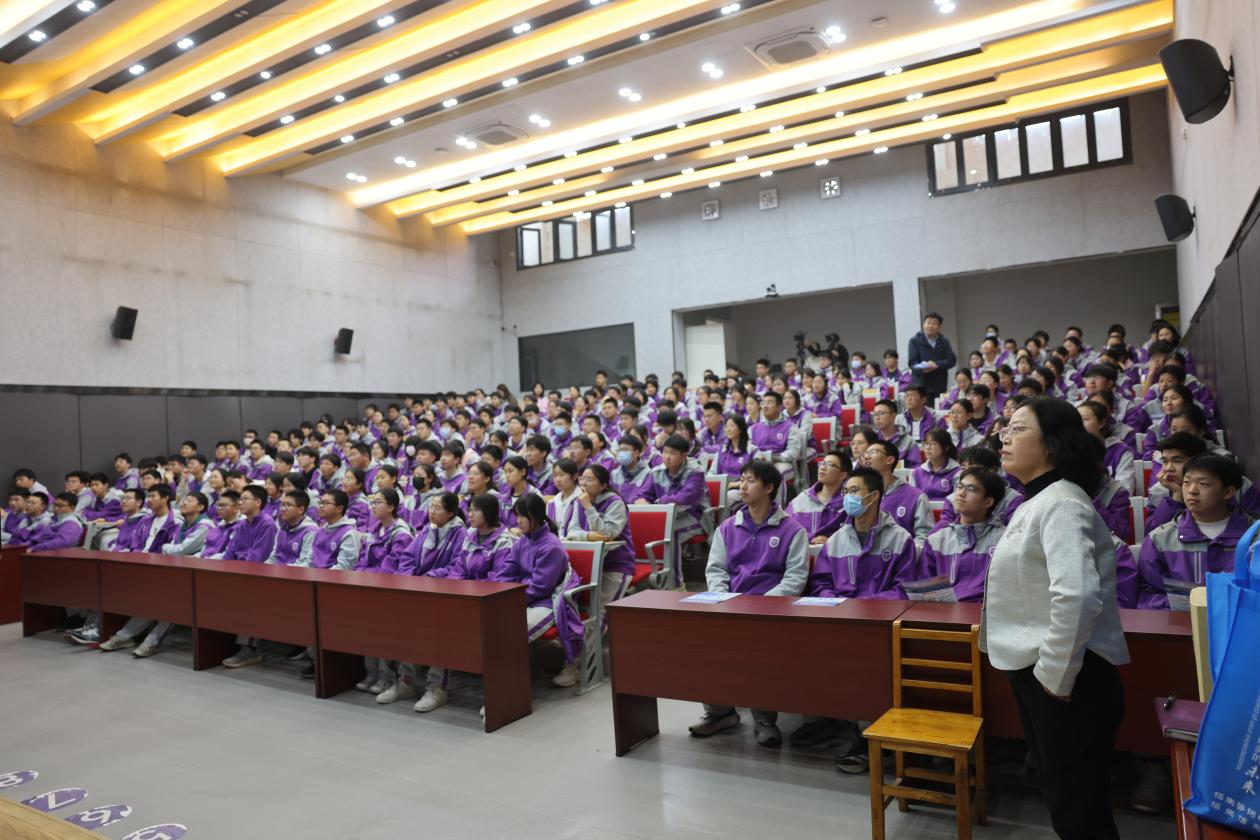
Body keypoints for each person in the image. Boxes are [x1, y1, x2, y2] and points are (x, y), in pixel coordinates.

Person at [982, 396, 1129, 839]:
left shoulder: (1062, 503)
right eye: (1005, 429)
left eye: (1018, 429)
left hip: (1069, 676)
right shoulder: (1038, 500)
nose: (1005, 438)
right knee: (1068, 798)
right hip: (1048, 671)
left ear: (1052, 442)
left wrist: (1054, 676)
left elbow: (1077, 595)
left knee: (1078, 807)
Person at [688, 461, 809, 746]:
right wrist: (724, 599)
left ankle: (764, 719)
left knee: (761, 655)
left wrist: (763, 605)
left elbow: (795, 577)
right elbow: (716, 570)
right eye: (741, 479)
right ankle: (720, 713)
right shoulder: (727, 528)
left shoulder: (793, 530)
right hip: (731, 607)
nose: (742, 486)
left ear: (769, 488)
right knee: (705, 647)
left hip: (772, 612)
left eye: (750, 480)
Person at [808, 466, 918, 770]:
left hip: (883, 625)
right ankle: (850, 730)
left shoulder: (900, 539)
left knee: (874, 673)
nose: (848, 497)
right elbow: (821, 583)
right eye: (846, 492)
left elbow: (905, 589)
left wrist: (865, 607)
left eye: (854, 491)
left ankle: (874, 740)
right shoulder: (836, 540)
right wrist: (837, 604)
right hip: (843, 621)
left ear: (874, 496)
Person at [99, 492, 214, 656]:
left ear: (200, 507)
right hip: (176, 572)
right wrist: (172, 550)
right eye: (184, 500)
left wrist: (167, 549)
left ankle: (152, 641)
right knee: (154, 601)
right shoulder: (183, 525)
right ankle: (124, 636)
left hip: (197, 578)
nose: (183, 503)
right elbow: (176, 549)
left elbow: (179, 550)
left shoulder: (205, 526)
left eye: (189, 501)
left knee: (173, 605)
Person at [1137, 455, 1251, 610]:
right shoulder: (1160, 539)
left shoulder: (1254, 538)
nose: (1192, 491)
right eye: (1186, 482)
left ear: (1228, 492)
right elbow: (1148, 596)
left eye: (1203, 484)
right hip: (1180, 623)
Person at [918, 468, 1006, 602]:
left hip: (987, 612)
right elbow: (925, 591)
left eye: (971, 489)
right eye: (960, 487)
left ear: (988, 502)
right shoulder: (936, 540)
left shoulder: (1004, 539)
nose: (961, 493)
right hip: (943, 612)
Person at [862, 440, 933, 543]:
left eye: (873, 452)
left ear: (890, 460)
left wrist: (905, 551)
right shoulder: (860, 495)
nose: (866, 457)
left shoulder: (916, 497)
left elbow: (924, 538)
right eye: (866, 454)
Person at [786, 450, 851, 543]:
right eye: (821, 463)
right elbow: (786, 531)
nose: (822, 467)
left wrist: (832, 542)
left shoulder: (849, 503)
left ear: (842, 475)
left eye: (829, 464)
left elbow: (855, 537)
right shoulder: (801, 500)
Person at [1079, 401, 1136, 493]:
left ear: (1102, 423)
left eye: (1085, 419)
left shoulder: (1121, 452)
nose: (1079, 424)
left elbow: (1124, 490)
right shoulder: (1071, 450)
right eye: (1076, 420)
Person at [749, 391, 805, 483]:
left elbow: (793, 453)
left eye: (769, 403)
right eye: (763, 403)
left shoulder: (791, 428)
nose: (765, 406)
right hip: (757, 462)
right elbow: (747, 449)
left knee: (772, 474)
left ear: (779, 407)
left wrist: (771, 457)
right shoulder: (752, 429)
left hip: (781, 462)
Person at [907, 312, 957, 401]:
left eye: (934, 323)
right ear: (923, 324)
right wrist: (923, 368)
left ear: (939, 327)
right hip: (921, 384)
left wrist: (936, 364)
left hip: (939, 384)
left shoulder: (944, 341)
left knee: (938, 407)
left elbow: (951, 360)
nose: (930, 326)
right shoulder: (914, 341)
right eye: (928, 322)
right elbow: (912, 363)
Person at [911, 428, 961, 503]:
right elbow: (912, 499)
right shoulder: (916, 472)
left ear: (946, 448)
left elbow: (956, 501)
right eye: (926, 443)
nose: (928, 448)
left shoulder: (957, 472)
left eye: (933, 444)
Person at [611, 434, 654, 504]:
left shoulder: (648, 474)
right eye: (620, 450)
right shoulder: (614, 474)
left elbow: (645, 497)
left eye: (625, 450)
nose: (621, 453)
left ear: (636, 453)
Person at [547, 459, 583, 533]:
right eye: (555, 475)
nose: (557, 479)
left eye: (562, 475)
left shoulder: (582, 498)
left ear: (575, 476)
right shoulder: (552, 502)